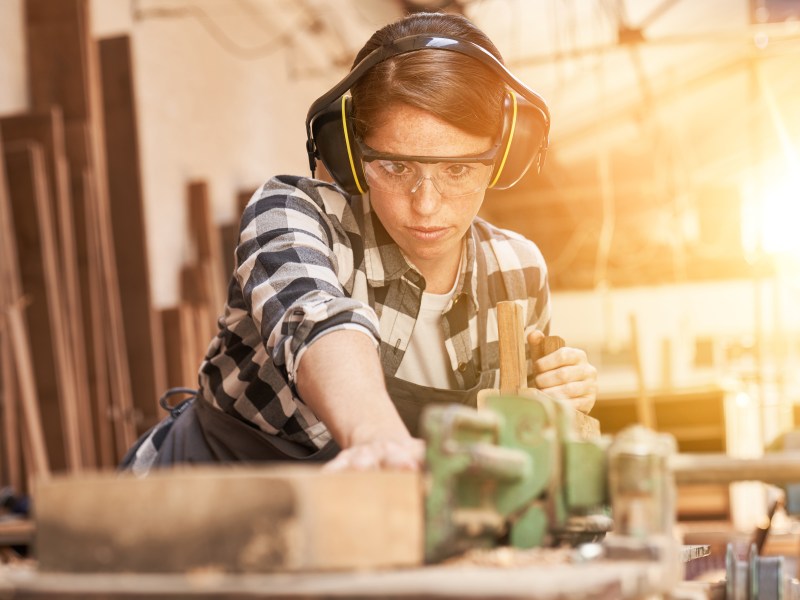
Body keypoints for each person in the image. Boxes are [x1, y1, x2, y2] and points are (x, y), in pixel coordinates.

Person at [122, 11, 597, 475]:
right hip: (196, 504)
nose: (427, 205)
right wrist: (377, 439)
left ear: (503, 155)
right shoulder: (293, 215)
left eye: (457, 169)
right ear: (349, 152)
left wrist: (552, 406)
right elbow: (319, 325)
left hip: (352, 529)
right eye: (396, 167)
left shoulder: (517, 269)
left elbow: (509, 455)